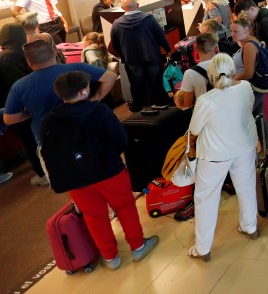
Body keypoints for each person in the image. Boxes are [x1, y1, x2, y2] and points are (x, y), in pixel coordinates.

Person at [39, 71, 159, 270]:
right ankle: (137, 246)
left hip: (76, 180)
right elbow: (120, 140)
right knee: (125, 207)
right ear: (84, 91)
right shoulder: (99, 110)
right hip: (109, 170)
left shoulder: (50, 121)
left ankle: (110, 257)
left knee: (94, 217)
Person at [187, 53, 260, 261]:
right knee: (246, 188)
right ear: (233, 71)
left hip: (215, 155)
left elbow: (194, 129)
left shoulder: (205, 101)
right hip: (244, 146)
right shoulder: (245, 88)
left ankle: (203, 248)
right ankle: (250, 227)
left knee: (206, 199)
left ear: (210, 76)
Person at [4, 40, 117, 147]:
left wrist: (31, 112)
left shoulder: (19, 86)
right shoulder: (77, 68)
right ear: (54, 52)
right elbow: (110, 77)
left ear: (29, 62)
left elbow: (9, 119)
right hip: (85, 130)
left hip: (50, 141)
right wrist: (94, 100)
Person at [0, 24, 45, 186]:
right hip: (39, 100)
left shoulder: (3, 57)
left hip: (16, 104)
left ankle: (42, 174)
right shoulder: (29, 50)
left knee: (29, 141)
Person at [109, 0, 171, 111]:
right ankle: (160, 102)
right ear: (138, 5)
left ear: (123, 8)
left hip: (131, 59)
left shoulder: (117, 24)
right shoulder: (149, 19)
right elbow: (160, 36)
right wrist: (168, 49)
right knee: (156, 81)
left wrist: (123, 56)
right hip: (152, 56)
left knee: (136, 83)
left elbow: (114, 44)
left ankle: (137, 105)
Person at [174, 32, 217, 109]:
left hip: (204, 115)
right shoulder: (226, 66)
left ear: (195, 48)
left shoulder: (190, 73)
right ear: (216, 49)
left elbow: (188, 105)